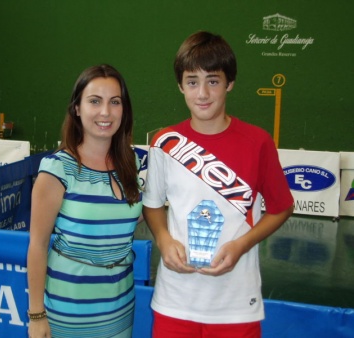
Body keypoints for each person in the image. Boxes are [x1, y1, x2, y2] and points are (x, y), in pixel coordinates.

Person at [142, 31, 294, 337]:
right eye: (192, 82)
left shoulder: (258, 142)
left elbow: (282, 207)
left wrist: (241, 245)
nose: (202, 94)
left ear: (230, 83)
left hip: (236, 303)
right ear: (180, 86)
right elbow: (153, 205)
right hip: (175, 300)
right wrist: (163, 239)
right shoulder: (164, 143)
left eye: (213, 81)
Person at [27, 64, 143, 338]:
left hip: (121, 307)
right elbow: (37, 246)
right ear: (77, 109)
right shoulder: (57, 169)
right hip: (69, 312)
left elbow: (121, 219)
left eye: (115, 102)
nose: (105, 112)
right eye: (94, 101)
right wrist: (36, 315)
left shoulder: (132, 163)